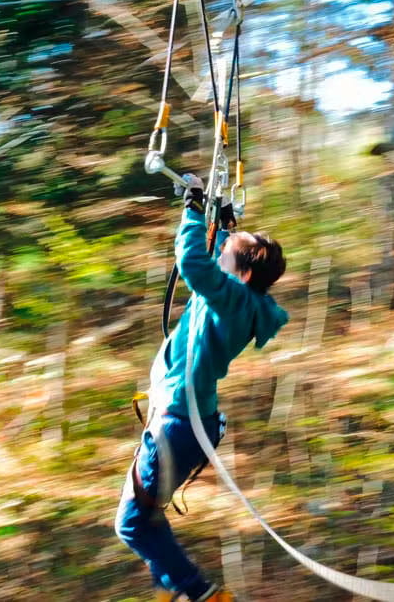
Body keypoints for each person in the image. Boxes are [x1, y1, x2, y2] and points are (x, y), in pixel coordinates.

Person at [116, 176, 289, 602]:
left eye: (227, 257)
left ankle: (200, 595)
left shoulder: (229, 298)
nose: (220, 260)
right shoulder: (236, 300)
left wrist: (194, 211)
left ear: (243, 273)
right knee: (148, 520)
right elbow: (211, 263)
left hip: (178, 424)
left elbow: (194, 265)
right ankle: (171, 591)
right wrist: (223, 225)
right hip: (188, 423)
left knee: (133, 524)